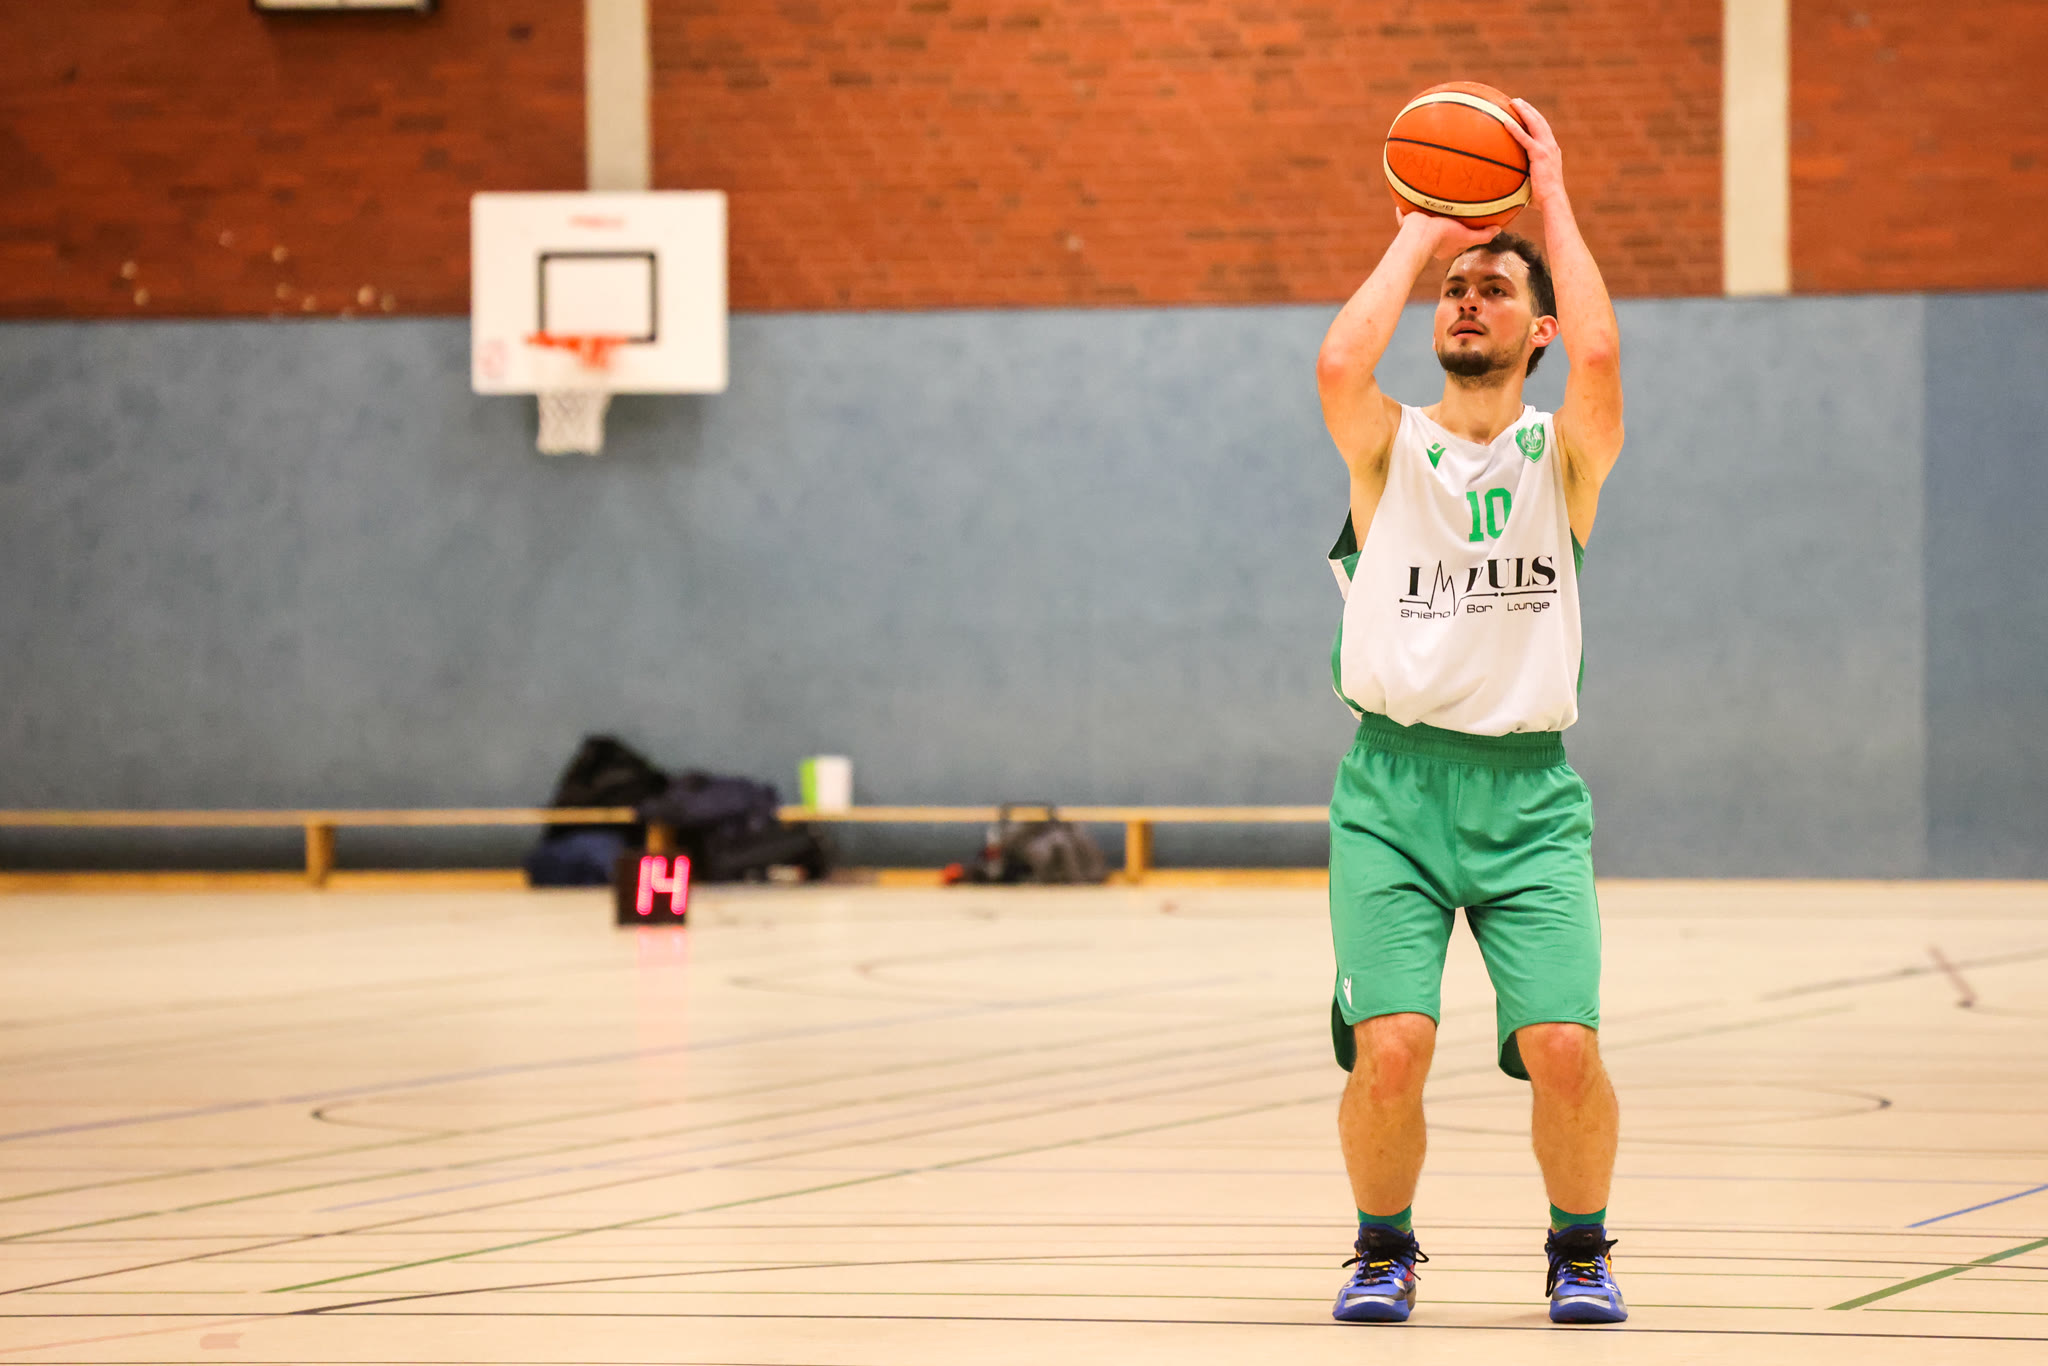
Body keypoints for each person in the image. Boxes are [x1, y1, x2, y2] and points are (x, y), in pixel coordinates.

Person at [1314, 99, 1627, 1326]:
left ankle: (1579, 1248)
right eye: (1453, 288)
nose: (1464, 299)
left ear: (1535, 327)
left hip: (1525, 794)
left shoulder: (1562, 455)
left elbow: (1599, 355)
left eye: (1493, 288)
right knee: (1391, 1044)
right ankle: (1380, 1247)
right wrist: (1421, 230)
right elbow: (1339, 364)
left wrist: (1547, 197)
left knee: (1564, 1049)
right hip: (1388, 789)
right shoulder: (1387, 448)